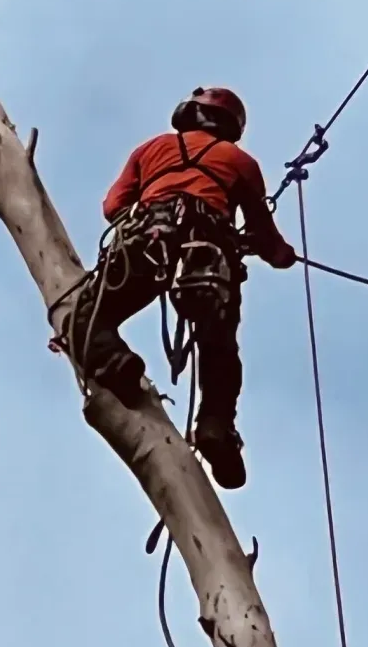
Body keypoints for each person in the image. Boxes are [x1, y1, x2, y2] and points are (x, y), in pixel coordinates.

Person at [67, 86, 296, 489]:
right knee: (218, 346)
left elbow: (112, 207)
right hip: (209, 253)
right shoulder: (240, 161)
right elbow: (266, 237)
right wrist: (281, 254)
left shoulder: (151, 148)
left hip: (148, 240)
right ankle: (215, 427)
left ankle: (116, 363)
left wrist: (151, 203)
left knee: (82, 319)